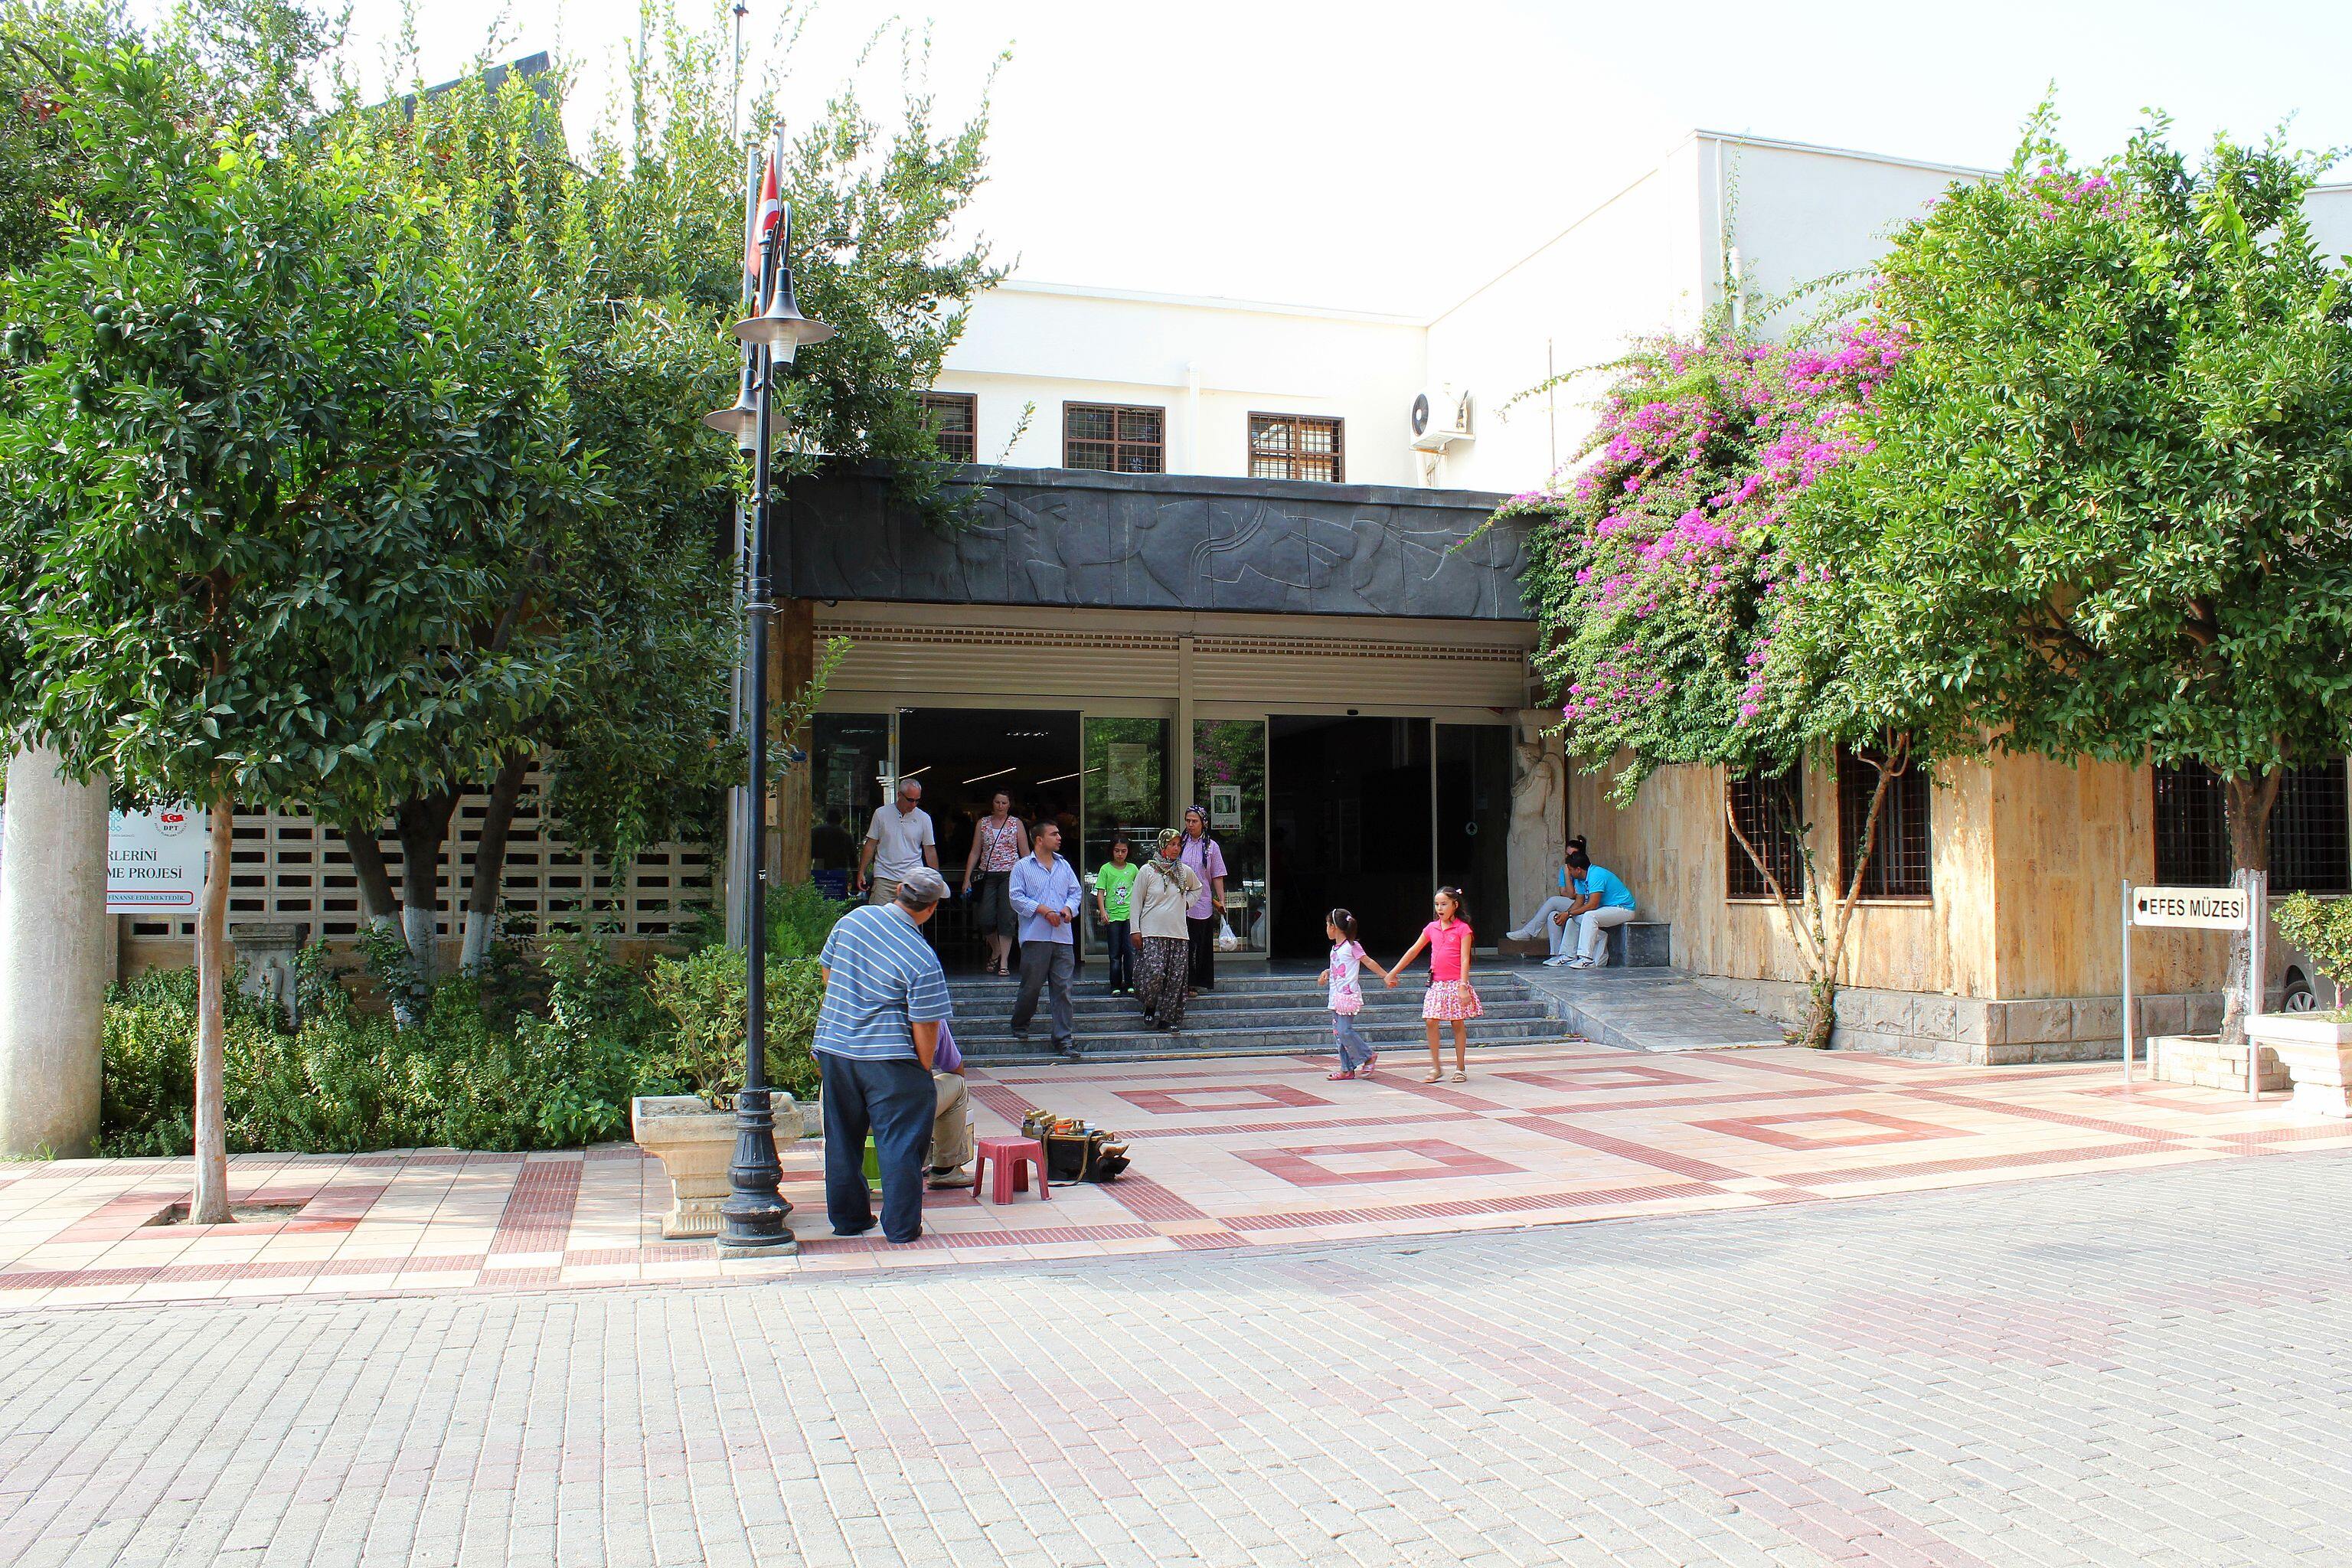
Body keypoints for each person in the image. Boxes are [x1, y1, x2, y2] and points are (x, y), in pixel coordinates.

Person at [813, 867, 954, 1243]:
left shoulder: (853, 920)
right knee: (901, 1144)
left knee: (842, 1138)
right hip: (890, 1061)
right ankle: (901, 1227)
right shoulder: (922, 957)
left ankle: (850, 1220)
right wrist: (921, 1071)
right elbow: (926, 1026)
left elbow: (828, 971)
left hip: (835, 1049)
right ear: (931, 907)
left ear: (898, 892)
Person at [1379, 886, 1482, 1084]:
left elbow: (1464, 959)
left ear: (1455, 905)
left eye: (1444, 904)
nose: (1440, 908)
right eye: (1437, 904)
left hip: (1455, 983)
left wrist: (1463, 986)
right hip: (1436, 983)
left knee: (1457, 1023)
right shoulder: (1431, 928)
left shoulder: (1463, 929)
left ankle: (1460, 1067)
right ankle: (1436, 1067)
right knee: (1430, 1020)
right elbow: (1413, 950)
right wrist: (1393, 972)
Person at [1008, 819, 1083, 1052]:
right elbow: (1016, 898)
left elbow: (1075, 892)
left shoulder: (1064, 865)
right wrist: (1043, 910)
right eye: (1054, 834)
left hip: (1062, 937)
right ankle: (1020, 1023)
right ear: (1039, 839)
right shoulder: (1022, 867)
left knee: (1063, 989)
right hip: (1035, 937)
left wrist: (1069, 909)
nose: (1059, 837)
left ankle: (1063, 1039)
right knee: (1031, 986)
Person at [1129, 828, 1203, 1031]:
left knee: (1176, 980)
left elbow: (1198, 888)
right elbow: (1135, 902)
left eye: (1178, 844)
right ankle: (1151, 1004)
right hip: (1152, 932)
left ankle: (1168, 1018)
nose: (1175, 848)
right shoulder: (1148, 871)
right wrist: (1135, 930)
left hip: (1178, 933)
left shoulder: (1184, 871)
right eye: (1171, 844)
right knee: (1155, 973)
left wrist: (1187, 903)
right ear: (1162, 846)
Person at [959, 790, 1028, 977]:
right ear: (992, 803)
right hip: (987, 874)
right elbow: (975, 851)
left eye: (1004, 803)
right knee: (985, 918)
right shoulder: (983, 824)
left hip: (1010, 875)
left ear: (1009, 805)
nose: (1000, 806)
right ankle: (995, 949)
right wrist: (967, 878)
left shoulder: (1016, 824)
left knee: (1007, 918)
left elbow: (1025, 854)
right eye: (997, 802)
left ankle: (1004, 961)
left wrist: (1030, 878)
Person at [854, 776, 938, 906]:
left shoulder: (924, 818)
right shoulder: (881, 814)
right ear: (899, 795)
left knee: (909, 921)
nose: (913, 804)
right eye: (910, 800)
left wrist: (935, 878)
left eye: (917, 801)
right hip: (885, 877)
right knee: (880, 920)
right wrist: (861, 871)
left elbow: (930, 850)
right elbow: (871, 844)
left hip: (912, 879)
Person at [1507, 835, 1592, 961]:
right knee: (1552, 914)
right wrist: (1566, 874)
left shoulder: (1582, 869)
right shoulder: (1565, 870)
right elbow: (1565, 893)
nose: (1569, 858)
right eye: (1567, 855)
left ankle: (1529, 932)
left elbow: (1573, 895)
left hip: (1582, 903)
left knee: (1552, 901)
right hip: (1571, 902)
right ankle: (1557, 955)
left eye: (1573, 855)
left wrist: (1568, 875)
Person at [1318, 908, 1376, 1080]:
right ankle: (1346, 1069)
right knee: (1339, 1034)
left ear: (1334, 927)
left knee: (1344, 1031)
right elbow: (1338, 967)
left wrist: (1386, 976)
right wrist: (1327, 972)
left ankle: (1368, 1055)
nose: (1327, 928)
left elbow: (1368, 961)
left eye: (1328, 925)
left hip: (1347, 997)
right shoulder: (1335, 949)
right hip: (1336, 996)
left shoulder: (1352, 946)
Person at [1558, 847, 1637, 969]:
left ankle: (1586, 958)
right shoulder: (1580, 879)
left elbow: (1592, 905)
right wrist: (1566, 914)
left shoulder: (1596, 875)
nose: (1569, 873)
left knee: (1590, 915)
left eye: (1570, 870)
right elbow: (1579, 902)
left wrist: (1568, 914)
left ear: (1578, 870)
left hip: (1623, 909)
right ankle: (1567, 955)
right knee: (1574, 917)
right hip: (1607, 909)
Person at [1178, 805, 1228, 993]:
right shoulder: (1179, 843)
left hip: (1202, 902)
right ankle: (1183, 981)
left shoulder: (1211, 846)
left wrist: (1221, 900)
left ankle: (1197, 981)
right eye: (1188, 821)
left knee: (1199, 945)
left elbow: (1217, 874)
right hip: (1179, 903)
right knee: (1183, 945)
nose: (1190, 825)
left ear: (1203, 823)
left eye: (1194, 821)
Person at [926, 1018, 975, 1191]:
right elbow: (955, 1067)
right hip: (902, 1107)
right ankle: (945, 1169)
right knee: (956, 1084)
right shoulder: (928, 1009)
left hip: (851, 1109)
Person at [1093, 836, 1138, 995]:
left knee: (1130, 951)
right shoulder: (1106, 869)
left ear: (1128, 852)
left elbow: (1139, 890)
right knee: (1114, 953)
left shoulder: (1133, 869)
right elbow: (1100, 893)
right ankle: (1115, 985)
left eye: (1123, 851)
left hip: (1129, 915)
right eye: (1117, 851)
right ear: (1112, 851)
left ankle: (1131, 982)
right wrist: (1103, 912)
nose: (1120, 854)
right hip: (1112, 916)